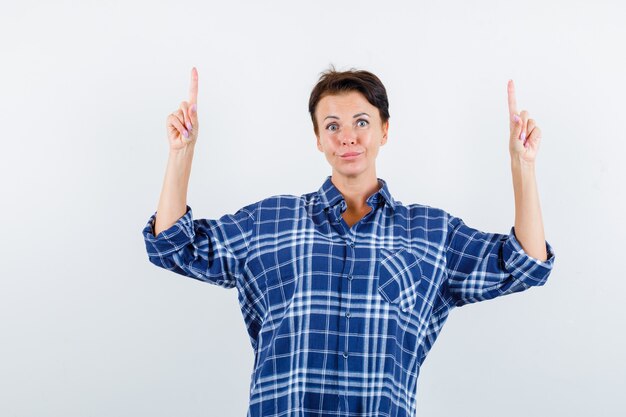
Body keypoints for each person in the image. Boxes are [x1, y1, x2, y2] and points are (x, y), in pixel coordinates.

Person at [142, 66, 555, 417]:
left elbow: (526, 264)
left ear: (384, 130)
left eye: (361, 122)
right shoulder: (268, 222)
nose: (347, 137)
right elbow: (173, 247)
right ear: (318, 139)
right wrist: (182, 153)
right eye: (332, 126)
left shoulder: (432, 234)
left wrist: (523, 165)